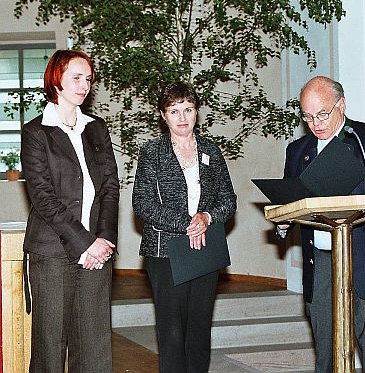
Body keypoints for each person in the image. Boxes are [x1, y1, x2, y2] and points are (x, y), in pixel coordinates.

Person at [279, 76, 365, 373]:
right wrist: (283, 222)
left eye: (322, 114)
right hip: (323, 263)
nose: (315, 123)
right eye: (307, 116)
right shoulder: (297, 151)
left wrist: (354, 209)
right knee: (326, 353)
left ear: (341, 105)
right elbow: (290, 201)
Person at [21, 49, 119, 373]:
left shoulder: (97, 128)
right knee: (49, 351)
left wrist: (103, 240)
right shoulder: (36, 132)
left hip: (96, 251)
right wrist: (85, 243)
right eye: (76, 77)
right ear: (56, 80)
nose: (84, 85)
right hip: (51, 253)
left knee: (94, 352)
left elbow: (109, 188)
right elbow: (43, 197)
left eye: (88, 78)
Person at [132, 81, 237, 372]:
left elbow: (229, 200)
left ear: (196, 112)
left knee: (199, 331)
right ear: (162, 115)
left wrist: (206, 217)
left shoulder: (211, 151)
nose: (182, 117)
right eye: (174, 111)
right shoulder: (151, 152)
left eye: (188, 109)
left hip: (204, 249)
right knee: (172, 333)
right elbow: (142, 203)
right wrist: (186, 223)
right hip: (165, 251)